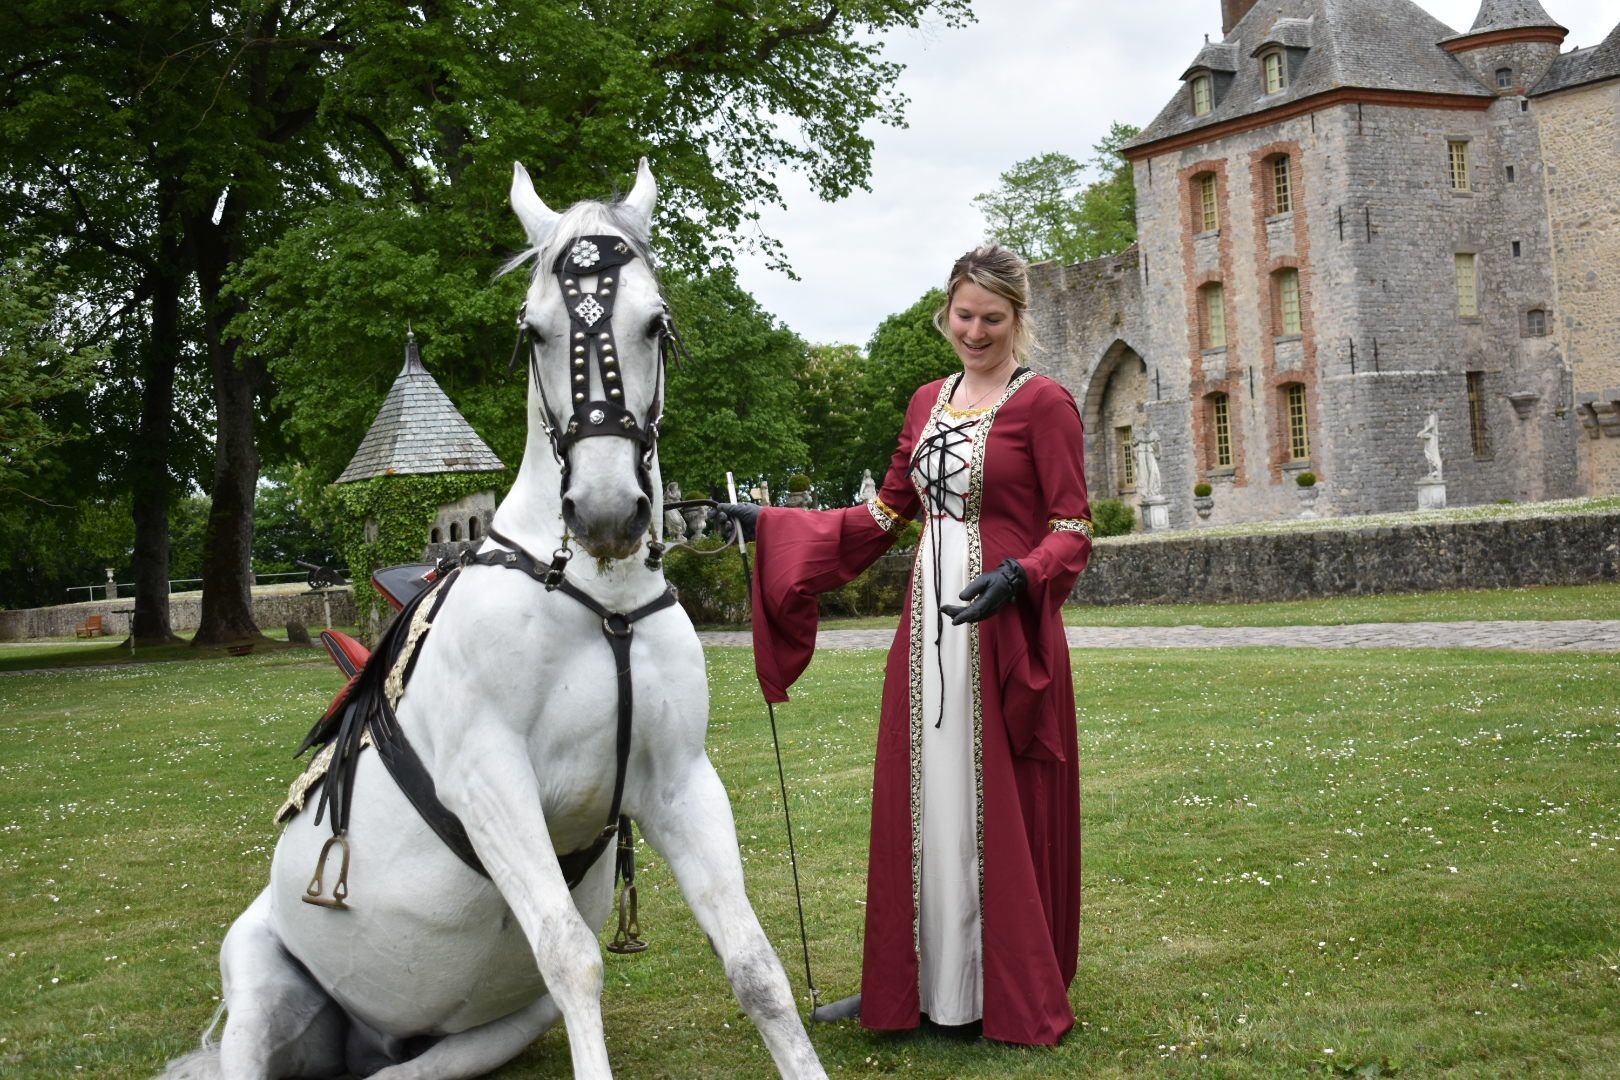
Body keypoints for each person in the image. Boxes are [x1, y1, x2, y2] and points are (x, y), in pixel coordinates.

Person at [716, 244, 1094, 1047]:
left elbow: (1073, 527)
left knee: (990, 798)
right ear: (946, 311)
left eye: (993, 318)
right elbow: (886, 517)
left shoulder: (1045, 404)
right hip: (927, 628)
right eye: (965, 315)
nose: (977, 331)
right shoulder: (926, 401)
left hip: (1001, 628)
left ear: (1017, 319)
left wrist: (1021, 578)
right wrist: (775, 526)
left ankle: (1001, 990)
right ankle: (914, 981)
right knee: (926, 798)